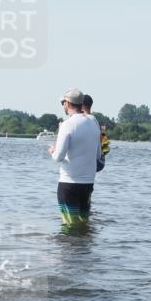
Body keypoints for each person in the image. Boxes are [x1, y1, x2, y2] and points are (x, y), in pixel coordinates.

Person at [49, 89, 102, 224]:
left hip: (69, 184)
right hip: (88, 184)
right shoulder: (94, 123)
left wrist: (52, 151)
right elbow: (98, 155)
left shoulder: (67, 124)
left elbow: (58, 157)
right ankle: (84, 246)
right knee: (83, 225)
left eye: (63, 103)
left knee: (70, 226)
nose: (63, 106)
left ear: (67, 103)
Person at [81, 94, 110, 171]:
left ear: (81, 104)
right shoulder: (94, 119)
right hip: (100, 161)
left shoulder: (87, 120)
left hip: (98, 162)